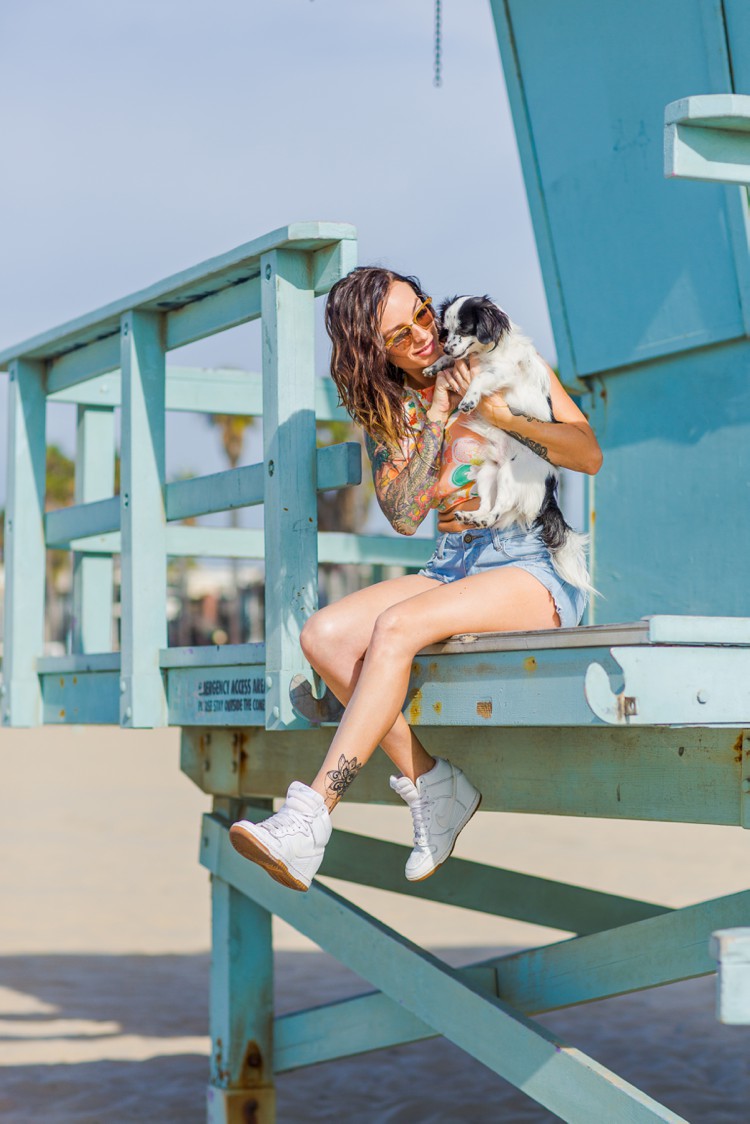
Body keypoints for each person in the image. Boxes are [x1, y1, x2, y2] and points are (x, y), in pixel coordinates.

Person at [229, 267, 603, 891]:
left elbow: (587, 451)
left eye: (423, 314)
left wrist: (502, 417)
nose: (425, 337)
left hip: (531, 563)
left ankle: (312, 814)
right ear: (376, 352)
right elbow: (405, 514)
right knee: (324, 636)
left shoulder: (503, 353)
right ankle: (432, 785)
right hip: (452, 564)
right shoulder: (392, 407)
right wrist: (435, 408)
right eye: (401, 336)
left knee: (395, 627)